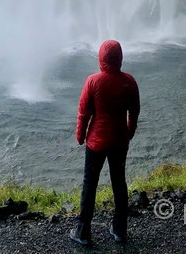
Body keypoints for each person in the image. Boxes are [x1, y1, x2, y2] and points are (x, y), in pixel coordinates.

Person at [71, 40, 140, 247]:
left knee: (89, 184)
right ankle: (120, 231)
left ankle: (83, 232)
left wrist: (80, 135)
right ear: (120, 58)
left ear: (101, 59)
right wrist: (130, 130)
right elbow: (134, 110)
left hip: (96, 143)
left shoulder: (93, 81)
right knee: (119, 183)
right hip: (119, 140)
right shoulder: (129, 81)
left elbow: (84, 112)